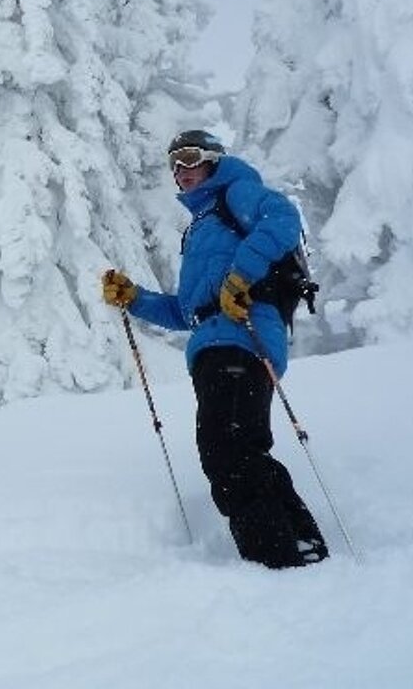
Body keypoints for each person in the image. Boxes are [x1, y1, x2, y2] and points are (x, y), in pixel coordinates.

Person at [101, 130, 328, 569]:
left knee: (227, 450)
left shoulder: (235, 193)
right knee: (234, 448)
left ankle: (278, 557)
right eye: (174, 165)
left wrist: (242, 276)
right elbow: (189, 312)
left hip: (242, 338)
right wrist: (134, 298)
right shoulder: (200, 227)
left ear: (213, 160)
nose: (181, 171)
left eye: (189, 159)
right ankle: (298, 546)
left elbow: (282, 217)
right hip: (214, 346)